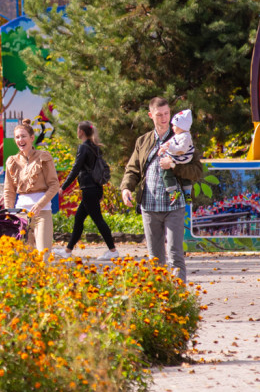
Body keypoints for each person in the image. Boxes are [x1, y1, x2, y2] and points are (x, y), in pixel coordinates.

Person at [120, 98, 202, 282]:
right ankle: (159, 295)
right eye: (159, 115)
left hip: (174, 206)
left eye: (167, 113)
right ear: (151, 115)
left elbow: (197, 171)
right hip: (149, 206)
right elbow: (132, 169)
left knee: (175, 254)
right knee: (155, 258)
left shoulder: (183, 139)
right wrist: (126, 188)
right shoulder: (143, 141)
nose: (164, 118)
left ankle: (178, 295)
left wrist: (174, 165)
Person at [53, 121, 120, 260]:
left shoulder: (84, 147)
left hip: (89, 189)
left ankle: (113, 250)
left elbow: (76, 169)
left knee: (98, 220)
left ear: (81, 132)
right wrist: (100, 191)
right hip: (93, 188)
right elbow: (98, 171)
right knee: (79, 218)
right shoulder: (95, 147)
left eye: (78, 130)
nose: (77, 132)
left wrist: (63, 187)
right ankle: (68, 250)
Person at [3, 118, 60, 252]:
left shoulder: (43, 157)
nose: (20, 140)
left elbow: (54, 185)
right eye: (17, 137)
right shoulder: (12, 161)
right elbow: (9, 190)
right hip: (21, 214)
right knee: (25, 257)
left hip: (42, 212)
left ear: (32, 138)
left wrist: (40, 204)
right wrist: (9, 213)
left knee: (43, 255)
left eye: (23, 136)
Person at [158, 109, 195, 203]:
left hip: (182, 159)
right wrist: (163, 147)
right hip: (177, 160)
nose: (172, 127)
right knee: (180, 177)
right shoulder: (178, 136)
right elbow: (170, 142)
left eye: (174, 125)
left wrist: (169, 149)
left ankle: (178, 193)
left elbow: (181, 150)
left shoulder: (186, 137)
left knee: (169, 174)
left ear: (181, 126)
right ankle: (181, 193)